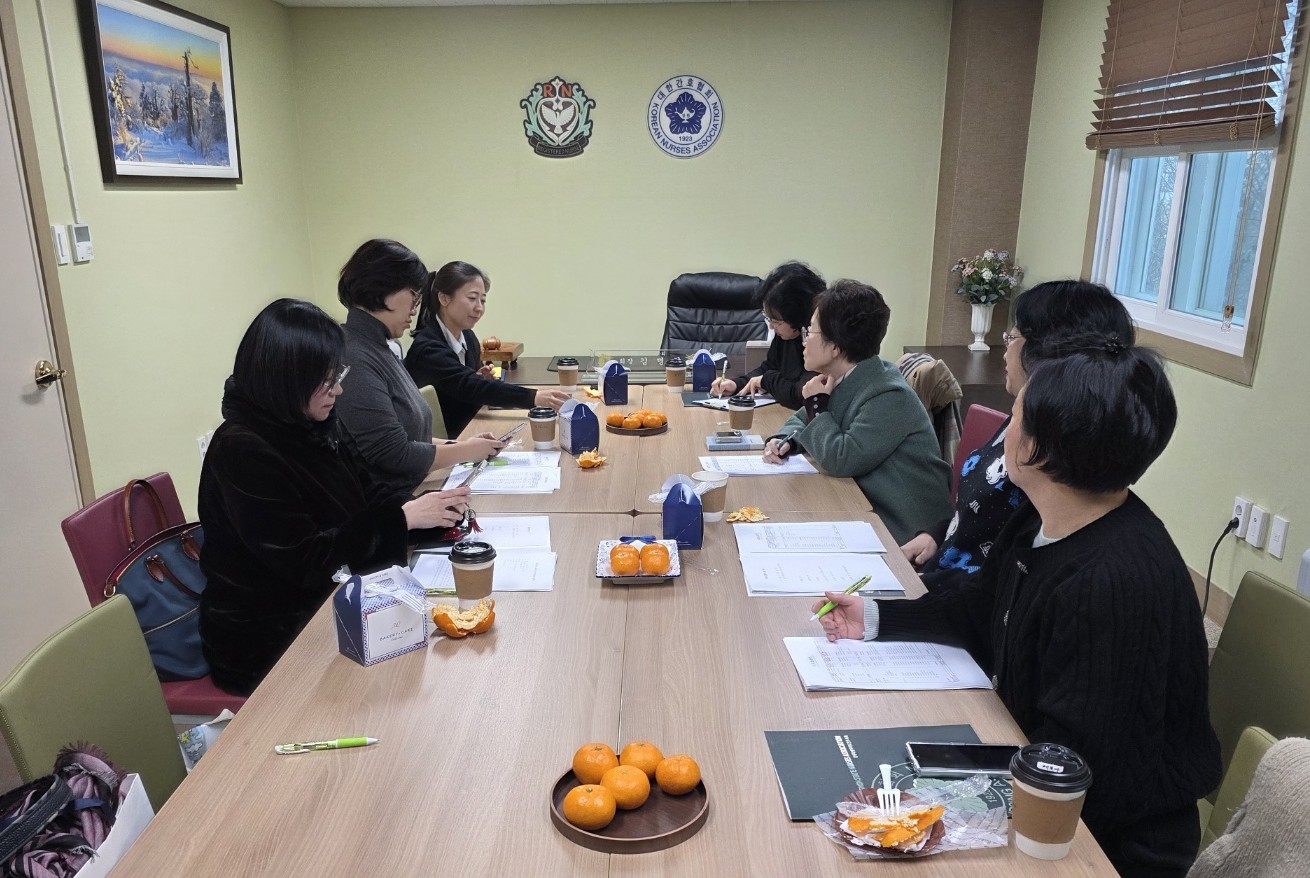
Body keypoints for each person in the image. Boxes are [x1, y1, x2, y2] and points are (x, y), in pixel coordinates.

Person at [814, 344, 1221, 878]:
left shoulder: (1112, 583)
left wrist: (941, 797)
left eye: (1016, 415)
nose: (1005, 429)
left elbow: (1081, 772)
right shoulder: (1042, 518)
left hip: (1099, 846)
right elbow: (984, 603)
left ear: (1040, 447)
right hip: (1028, 774)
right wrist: (876, 617)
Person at [199, 299, 472, 695]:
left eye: (337, 375)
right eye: (327, 381)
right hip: (268, 634)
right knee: (408, 686)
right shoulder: (242, 450)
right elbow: (305, 560)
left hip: (334, 597)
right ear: (288, 379)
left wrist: (430, 509)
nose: (339, 390)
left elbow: (367, 490)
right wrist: (403, 519)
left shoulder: (311, 420)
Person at [901, 280, 1136, 577]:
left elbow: (1000, 578)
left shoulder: (1052, 457)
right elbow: (979, 512)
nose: (1005, 351)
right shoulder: (1023, 415)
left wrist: (924, 589)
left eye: (1012, 338)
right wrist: (937, 534)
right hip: (943, 576)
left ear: (1046, 349)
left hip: (959, 592)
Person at [762, 280, 951, 544]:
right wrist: (786, 441)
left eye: (810, 332)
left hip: (907, 529)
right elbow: (802, 419)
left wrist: (816, 404)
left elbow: (842, 459)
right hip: (864, 503)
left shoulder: (888, 395)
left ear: (835, 346)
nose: (804, 341)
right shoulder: (847, 377)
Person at [333, 240, 503, 496]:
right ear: (384, 289)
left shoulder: (380, 345)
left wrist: (460, 445)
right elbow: (393, 454)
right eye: (413, 295)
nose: (415, 308)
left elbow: (409, 437)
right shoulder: (354, 354)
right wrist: (466, 450)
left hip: (418, 486)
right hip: (396, 502)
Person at [405, 261, 570, 439]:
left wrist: (480, 377)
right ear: (444, 298)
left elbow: (467, 386)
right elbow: (470, 387)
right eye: (472, 298)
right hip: (445, 442)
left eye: (482, 300)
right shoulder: (428, 349)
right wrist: (534, 397)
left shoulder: (468, 336)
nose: (479, 308)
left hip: (470, 429)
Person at [709, 261, 823, 408]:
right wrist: (737, 384)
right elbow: (770, 367)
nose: (771, 326)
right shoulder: (786, 334)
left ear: (798, 317)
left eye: (777, 321)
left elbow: (800, 395)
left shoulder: (818, 341)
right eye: (769, 318)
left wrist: (766, 381)